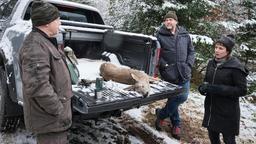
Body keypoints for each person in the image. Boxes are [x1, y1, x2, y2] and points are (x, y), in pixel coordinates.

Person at [19, 0, 72, 143]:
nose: (60, 23)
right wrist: (58, 110)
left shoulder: (44, 41)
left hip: (53, 120)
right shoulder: (34, 46)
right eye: (58, 19)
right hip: (50, 120)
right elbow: (37, 86)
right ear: (47, 22)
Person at [198, 34, 248, 144]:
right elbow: (207, 81)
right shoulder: (211, 63)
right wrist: (203, 88)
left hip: (228, 112)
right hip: (212, 108)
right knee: (213, 138)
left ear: (228, 51)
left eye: (221, 48)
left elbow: (242, 90)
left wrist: (216, 89)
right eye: (216, 47)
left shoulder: (236, 67)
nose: (217, 50)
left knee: (228, 140)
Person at [154, 11, 195, 140]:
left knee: (182, 97)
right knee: (174, 98)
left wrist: (188, 65)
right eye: (166, 20)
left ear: (176, 22)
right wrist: (164, 66)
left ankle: (161, 115)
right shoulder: (160, 35)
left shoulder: (184, 35)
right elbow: (156, 54)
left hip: (184, 72)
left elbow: (191, 51)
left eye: (171, 20)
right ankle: (176, 124)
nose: (168, 22)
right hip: (169, 74)